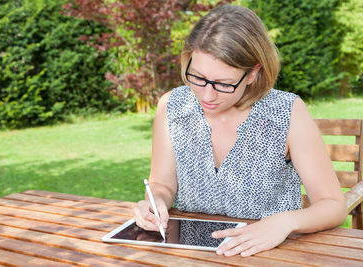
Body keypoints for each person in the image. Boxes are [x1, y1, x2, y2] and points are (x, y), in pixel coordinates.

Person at [133, 4, 347, 257]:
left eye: (223, 83)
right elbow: (161, 184)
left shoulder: (287, 112)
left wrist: (284, 222)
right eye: (198, 77)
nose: (207, 95)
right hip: (191, 256)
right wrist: (156, 201)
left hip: (269, 255)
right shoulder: (172, 106)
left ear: (253, 73)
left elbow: (333, 206)